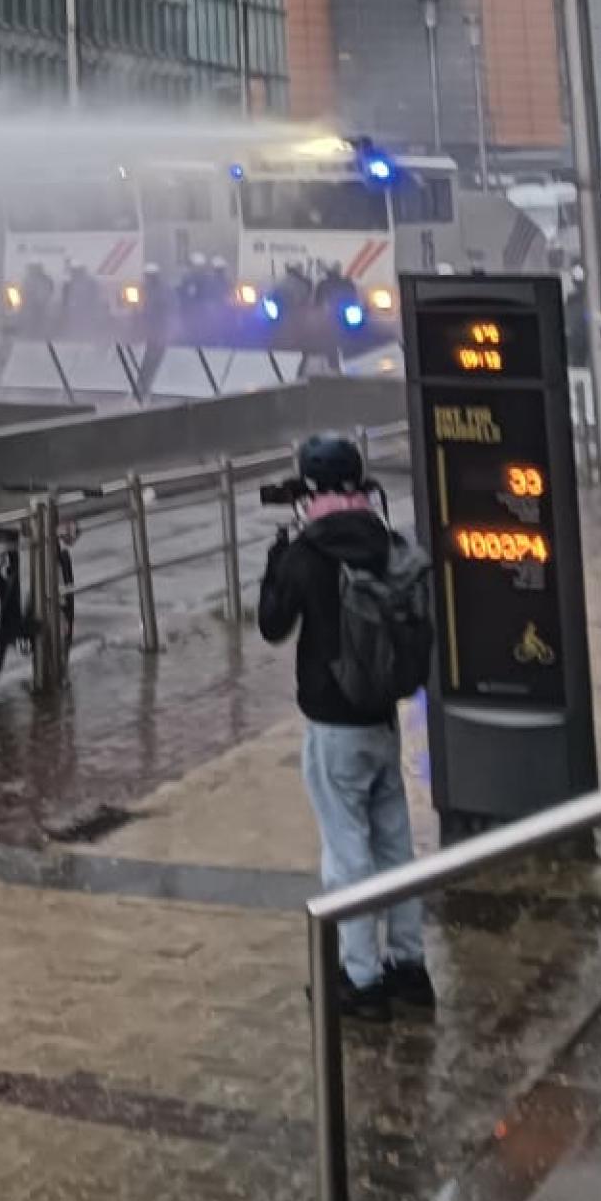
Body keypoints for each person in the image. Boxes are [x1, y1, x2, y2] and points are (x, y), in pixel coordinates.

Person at [258, 434, 436, 1021]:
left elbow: (272, 625)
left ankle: (361, 980)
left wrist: (276, 559)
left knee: (347, 854)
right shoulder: (383, 540)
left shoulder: (310, 551)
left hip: (334, 728)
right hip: (384, 720)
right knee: (395, 846)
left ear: (310, 488)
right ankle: (409, 967)